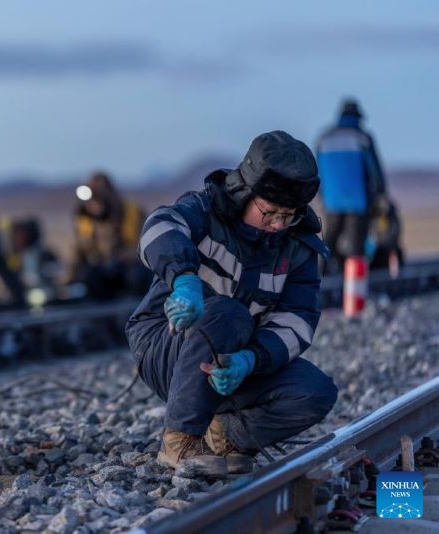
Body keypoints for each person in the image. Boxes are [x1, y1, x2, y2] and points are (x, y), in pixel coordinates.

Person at [125, 131, 338, 477]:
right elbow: (157, 227)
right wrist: (184, 279)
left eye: (289, 215)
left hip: (231, 361)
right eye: (269, 212)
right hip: (166, 347)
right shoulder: (204, 211)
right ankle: (179, 442)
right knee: (229, 313)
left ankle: (223, 435)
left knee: (315, 392)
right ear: (245, 193)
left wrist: (250, 359)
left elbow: (296, 323)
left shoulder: (298, 250)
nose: (277, 225)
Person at [316, 99, 386, 274]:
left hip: (331, 201)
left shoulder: (324, 138)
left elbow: (317, 172)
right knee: (356, 245)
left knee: (330, 240)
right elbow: (374, 170)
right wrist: (379, 193)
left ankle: (322, 278)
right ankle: (354, 285)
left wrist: (323, 196)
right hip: (357, 200)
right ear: (357, 117)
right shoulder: (362, 138)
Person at [72, 171, 151, 299]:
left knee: (137, 275)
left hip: (130, 269)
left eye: (98, 198)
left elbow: (147, 245)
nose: (94, 205)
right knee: (87, 277)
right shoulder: (85, 219)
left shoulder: (132, 213)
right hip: (102, 272)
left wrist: (124, 257)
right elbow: (79, 250)